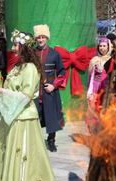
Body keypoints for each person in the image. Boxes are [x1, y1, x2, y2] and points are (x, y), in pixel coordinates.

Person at [0, 30, 58, 181]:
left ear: (24, 47)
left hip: (24, 118)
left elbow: (26, 95)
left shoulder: (30, 68)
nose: (13, 48)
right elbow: (8, 88)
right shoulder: (16, 67)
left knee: (22, 156)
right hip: (11, 117)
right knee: (7, 154)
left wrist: (0, 90)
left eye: (16, 44)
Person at [33, 24, 66, 152]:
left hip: (50, 90)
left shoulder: (54, 54)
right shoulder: (32, 53)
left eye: (43, 37)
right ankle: (35, 141)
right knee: (36, 116)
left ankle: (51, 140)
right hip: (35, 90)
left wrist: (54, 85)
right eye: (38, 37)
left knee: (52, 116)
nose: (40, 40)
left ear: (47, 38)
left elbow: (62, 72)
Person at [86, 37, 112, 133]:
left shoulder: (111, 59)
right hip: (95, 90)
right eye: (100, 46)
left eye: (104, 46)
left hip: (105, 89)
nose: (102, 48)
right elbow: (90, 77)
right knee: (94, 110)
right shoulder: (94, 60)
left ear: (108, 47)